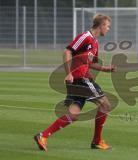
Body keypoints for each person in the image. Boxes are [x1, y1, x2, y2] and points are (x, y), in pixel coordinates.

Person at [34, 13, 116, 151]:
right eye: (107, 26)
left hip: (79, 79)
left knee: (73, 115)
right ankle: (97, 141)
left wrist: (106, 69)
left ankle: (43, 136)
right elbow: (67, 51)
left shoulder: (95, 42)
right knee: (105, 105)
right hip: (81, 78)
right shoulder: (85, 37)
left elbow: (91, 63)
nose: (108, 29)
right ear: (101, 25)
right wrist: (69, 73)